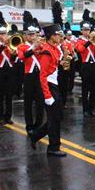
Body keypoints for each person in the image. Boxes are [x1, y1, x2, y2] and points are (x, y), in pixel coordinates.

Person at [28, 24, 66, 157]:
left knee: (58, 116)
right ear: (50, 36)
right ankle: (53, 147)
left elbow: (53, 65)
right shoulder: (46, 51)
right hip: (48, 86)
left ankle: (35, 135)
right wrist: (47, 96)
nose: (59, 37)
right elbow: (42, 75)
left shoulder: (54, 48)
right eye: (57, 34)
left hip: (54, 84)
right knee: (55, 118)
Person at [17, 25, 44, 133]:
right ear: (25, 36)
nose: (32, 36)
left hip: (39, 75)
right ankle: (29, 126)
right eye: (30, 34)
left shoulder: (41, 45)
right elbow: (21, 57)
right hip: (29, 75)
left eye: (34, 34)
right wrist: (34, 48)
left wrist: (41, 45)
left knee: (40, 101)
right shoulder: (22, 47)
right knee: (28, 102)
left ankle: (38, 124)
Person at [75, 22, 95, 117]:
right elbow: (80, 50)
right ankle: (85, 110)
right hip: (85, 65)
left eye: (88, 30)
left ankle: (92, 109)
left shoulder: (93, 40)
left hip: (94, 65)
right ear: (81, 31)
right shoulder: (79, 41)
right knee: (85, 89)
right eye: (85, 30)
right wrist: (89, 41)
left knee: (94, 88)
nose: (87, 31)